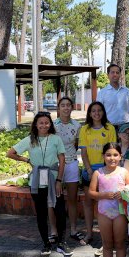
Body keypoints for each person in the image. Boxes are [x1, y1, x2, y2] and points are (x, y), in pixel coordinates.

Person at [7, 111, 72, 257]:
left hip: (53, 179)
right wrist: (27, 160)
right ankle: (46, 244)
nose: (44, 125)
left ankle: (62, 243)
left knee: (60, 212)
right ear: (36, 124)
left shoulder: (56, 139)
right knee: (41, 214)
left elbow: (62, 160)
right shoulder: (30, 140)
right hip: (36, 182)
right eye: (41, 122)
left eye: (47, 122)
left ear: (50, 124)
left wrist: (59, 181)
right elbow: (10, 153)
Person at [88, 143, 129, 257]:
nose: (112, 158)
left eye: (115, 155)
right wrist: (103, 194)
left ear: (120, 157)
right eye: (108, 155)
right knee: (107, 244)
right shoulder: (98, 173)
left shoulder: (124, 172)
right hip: (103, 212)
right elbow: (91, 192)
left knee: (120, 243)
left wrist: (124, 194)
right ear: (103, 156)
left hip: (120, 212)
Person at [79, 101, 118, 248]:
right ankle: (89, 234)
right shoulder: (84, 129)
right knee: (89, 204)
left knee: (105, 205)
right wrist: (89, 170)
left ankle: (105, 238)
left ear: (103, 112)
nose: (96, 113)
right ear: (89, 113)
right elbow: (83, 153)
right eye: (93, 111)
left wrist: (106, 170)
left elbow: (112, 152)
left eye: (99, 110)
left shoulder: (110, 128)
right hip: (90, 171)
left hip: (105, 170)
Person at [52, 97, 85, 246]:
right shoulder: (52, 125)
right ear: (58, 108)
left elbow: (76, 144)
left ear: (72, 108)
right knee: (53, 200)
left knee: (72, 199)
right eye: (62, 105)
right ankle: (54, 231)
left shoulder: (77, 125)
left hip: (71, 163)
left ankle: (73, 229)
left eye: (68, 105)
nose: (66, 108)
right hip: (55, 164)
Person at [96, 63, 129, 129]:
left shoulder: (126, 91)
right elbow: (99, 111)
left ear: (120, 75)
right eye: (112, 72)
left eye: (117, 72)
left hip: (125, 127)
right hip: (108, 127)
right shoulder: (102, 93)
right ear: (108, 75)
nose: (115, 74)